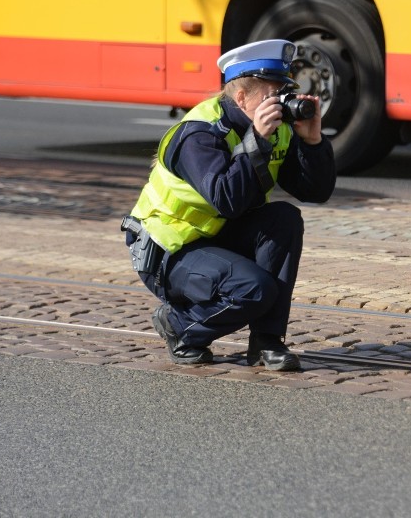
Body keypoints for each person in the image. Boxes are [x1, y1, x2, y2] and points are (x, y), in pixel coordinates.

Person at [122, 39, 336, 370]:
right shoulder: (201, 134)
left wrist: (313, 141)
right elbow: (228, 199)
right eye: (271, 95)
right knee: (254, 289)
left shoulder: (275, 130)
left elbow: (316, 191)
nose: (280, 103)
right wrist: (257, 142)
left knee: (284, 218)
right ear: (241, 97)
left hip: (218, 236)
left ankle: (266, 342)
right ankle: (179, 326)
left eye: (283, 93)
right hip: (169, 251)